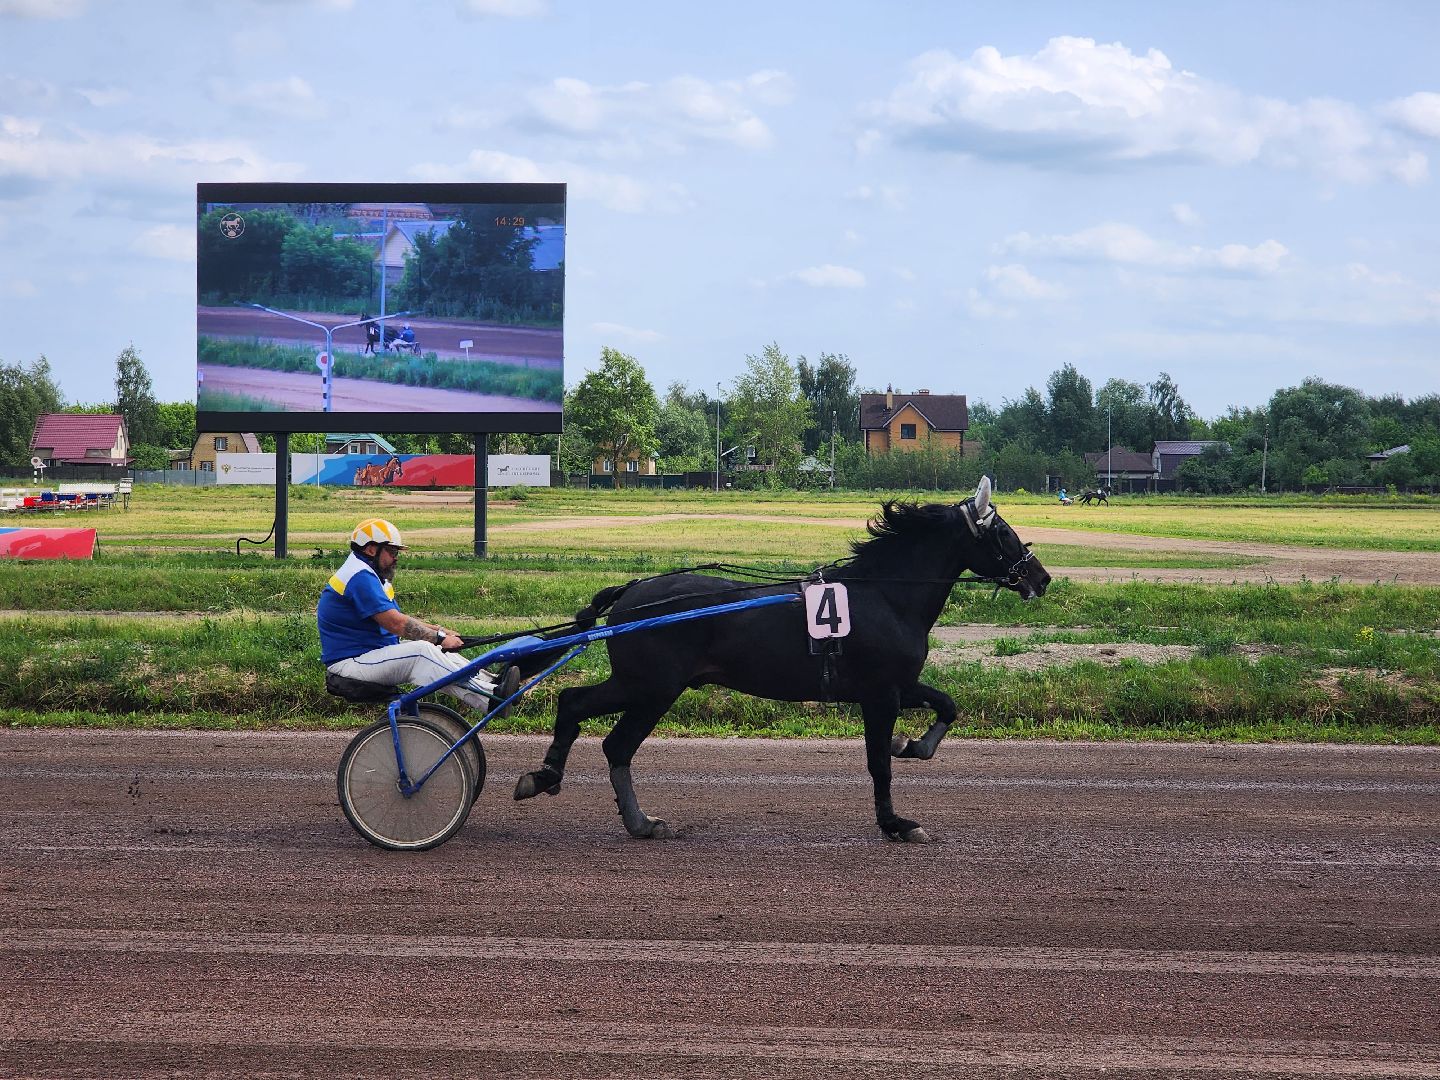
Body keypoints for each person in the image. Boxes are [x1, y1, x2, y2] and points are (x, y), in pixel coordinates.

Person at [318, 518, 519, 713]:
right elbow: (396, 624)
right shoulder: (358, 576)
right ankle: (491, 698)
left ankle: (490, 683)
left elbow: (399, 617)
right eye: (392, 551)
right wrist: (440, 638)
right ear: (371, 549)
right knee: (421, 652)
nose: (396, 557)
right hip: (350, 664)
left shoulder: (367, 573)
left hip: (368, 655)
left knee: (431, 650)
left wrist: (439, 631)